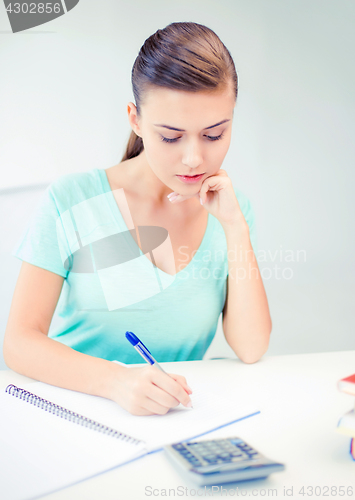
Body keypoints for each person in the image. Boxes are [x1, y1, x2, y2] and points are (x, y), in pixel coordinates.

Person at [3, 22, 272, 416]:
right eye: (170, 136)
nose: (194, 158)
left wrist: (235, 227)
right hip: (74, 414)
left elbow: (251, 348)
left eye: (214, 134)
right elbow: (19, 343)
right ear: (135, 119)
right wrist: (116, 381)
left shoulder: (232, 209)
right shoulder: (72, 200)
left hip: (172, 419)